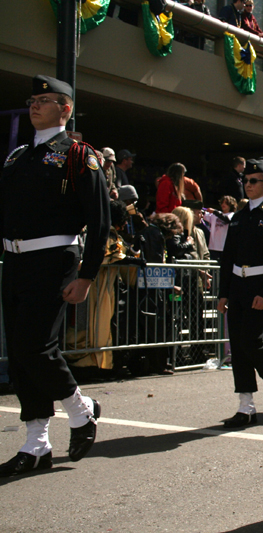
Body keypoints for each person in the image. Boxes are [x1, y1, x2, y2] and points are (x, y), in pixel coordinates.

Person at [0, 75, 110, 477]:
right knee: (21, 355)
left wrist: (87, 275)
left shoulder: (79, 156)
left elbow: (100, 222)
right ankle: (36, 443)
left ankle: (82, 413)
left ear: (65, 108)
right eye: (33, 99)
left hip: (54, 258)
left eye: (45, 100)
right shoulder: (17, 157)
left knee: (36, 346)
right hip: (15, 262)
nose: (35, 105)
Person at [217, 159, 263, 429]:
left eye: (254, 181)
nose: (248, 185)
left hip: (259, 285)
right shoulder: (238, 216)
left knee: (251, 340)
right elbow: (227, 258)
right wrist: (223, 293)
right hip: (237, 285)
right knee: (237, 345)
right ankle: (245, 406)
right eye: (246, 181)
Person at [207, 195, 237, 261]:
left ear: (231, 205)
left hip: (225, 247)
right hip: (213, 247)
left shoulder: (233, 215)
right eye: (222, 202)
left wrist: (214, 212)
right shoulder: (214, 215)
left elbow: (227, 220)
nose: (223, 204)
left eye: (226, 203)